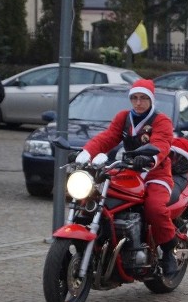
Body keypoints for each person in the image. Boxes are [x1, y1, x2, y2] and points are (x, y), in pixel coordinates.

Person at [74, 79, 179, 277]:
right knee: (98, 195)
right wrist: (86, 153)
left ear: (151, 100)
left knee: (155, 208)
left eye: (143, 98)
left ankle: (167, 250)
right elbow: (107, 137)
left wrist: (149, 158)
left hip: (156, 173)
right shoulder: (123, 117)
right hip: (129, 172)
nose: (138, 103)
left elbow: (162, 143)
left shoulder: (161, 120)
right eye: (134, 98)